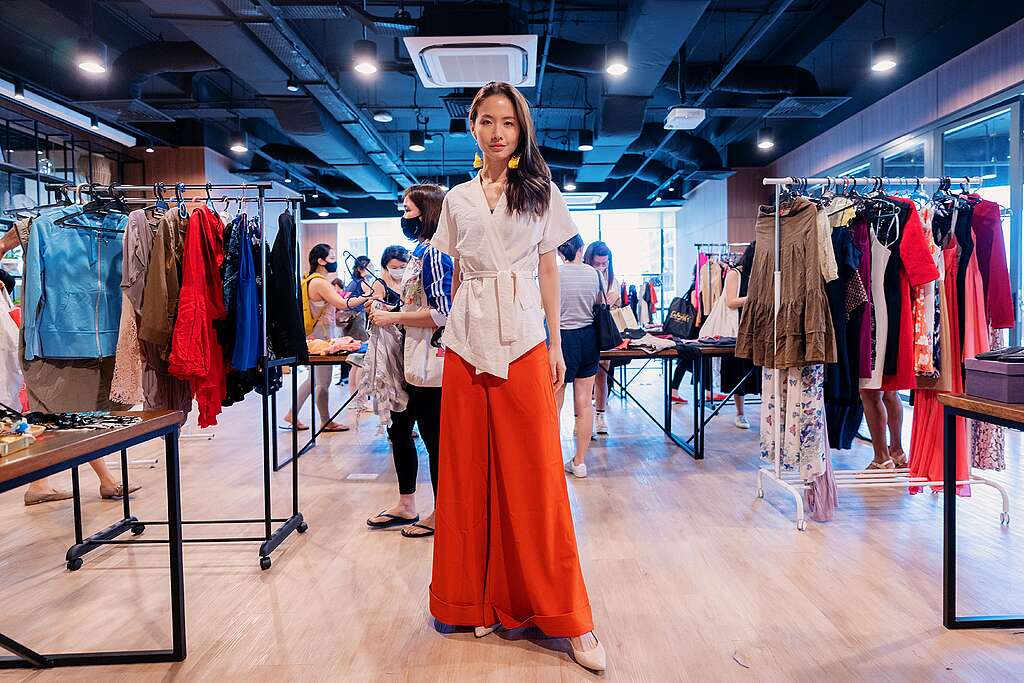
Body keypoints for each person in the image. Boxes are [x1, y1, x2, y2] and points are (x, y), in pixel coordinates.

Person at [429, 81, 605, 672]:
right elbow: (452, 276)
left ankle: (568, 618)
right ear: (473, 129)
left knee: (537, 479)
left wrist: (557, 344)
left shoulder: (540, 191)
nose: (498, 131)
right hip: (465, 343)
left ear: (521, 130)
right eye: (487, 121)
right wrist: (447, 331)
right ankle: (476, 598)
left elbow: (548, 268)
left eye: (508, 122)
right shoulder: (456, 199)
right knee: (465, 476)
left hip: (527, 339)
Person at [366, 184, 452, 539]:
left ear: (427, 212)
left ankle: (441, 512)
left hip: (431, 364)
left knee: (434, 440)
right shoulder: (421, 252)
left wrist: (393, 318)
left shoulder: (437, 253)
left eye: (408, 210)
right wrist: (392, 312)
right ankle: (407, 504)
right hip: (412, 360)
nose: (404, 217)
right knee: (399, 430)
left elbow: (444, 313)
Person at [281, 244, 351, 433]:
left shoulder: (311, 280)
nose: (334, 261)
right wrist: (364, 299)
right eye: (332, 257)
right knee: (322, 382)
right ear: (321, 261)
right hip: (321, 338)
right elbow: (341, 303)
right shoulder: (319, 282)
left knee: (314, 379)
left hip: (317, 335)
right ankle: (325, 421)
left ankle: (293, 413)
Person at [555, 234, 603, 478]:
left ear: (559, 251)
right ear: (581, 249)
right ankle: (580, 462)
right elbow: (598, 304)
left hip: (562, 340)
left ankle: (551, 462)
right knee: (584, 402)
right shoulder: (594, 274)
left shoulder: (555, 274)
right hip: (588, 338)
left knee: (555, 403)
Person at [719, 244, 759, 429]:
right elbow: (731, 301)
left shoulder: (761, 274)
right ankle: (740, 413)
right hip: (737, 329)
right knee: (738, 371)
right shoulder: (735, 273)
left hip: (758, 327)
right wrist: (757, 297)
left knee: (757, 371)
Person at [583, 241, 617, 437]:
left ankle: (600, 415)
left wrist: (614, 297)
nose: (602, 266)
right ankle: (582, 418)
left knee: (602, 374)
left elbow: (616, 302)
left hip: (604, 330)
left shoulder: (610, 277)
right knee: (584, 379)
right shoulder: (585, 275)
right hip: (587, 328)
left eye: (605, 263)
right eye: (598, 263)